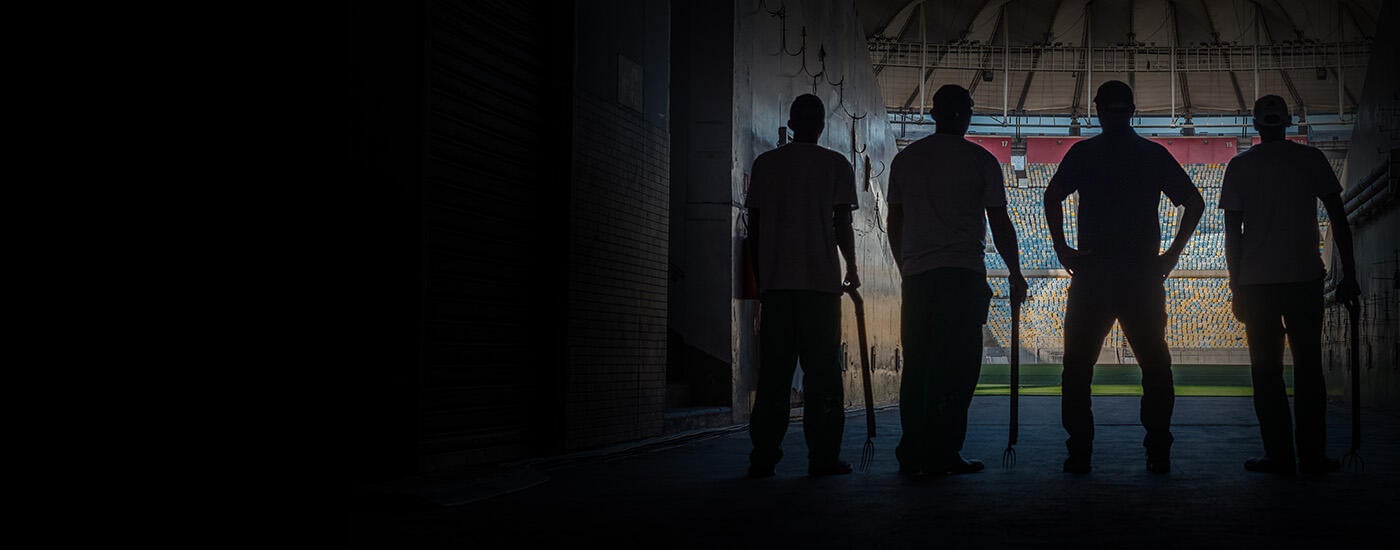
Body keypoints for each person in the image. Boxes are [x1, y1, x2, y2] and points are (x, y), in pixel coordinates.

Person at [1043, 80, 1205, 474]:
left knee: (1078, 367)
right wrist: (1170, 256)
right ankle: (1158, 450)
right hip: (1141, 273)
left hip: (1094, 271)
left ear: (1097, 110)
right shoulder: (1152, 155)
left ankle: (1080, 451)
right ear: (1133, 110)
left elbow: (1052, 196)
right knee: (1155, 364)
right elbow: (1195, 202)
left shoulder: (1084, 154)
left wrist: (1063, 248)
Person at [886, 85, 1027, 475]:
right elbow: (1000, 223)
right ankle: (945, 449)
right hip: (963, 275)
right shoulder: (980, 161)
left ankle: (913, 449)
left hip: (919, 278)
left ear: (933, 114)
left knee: (918, 365)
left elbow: (894, 222)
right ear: (967, 115)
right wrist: (1015, 273)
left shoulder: (906, 160)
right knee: (958, 368)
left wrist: (906, 268)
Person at [1222, 95, 1361, 477]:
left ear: (1255, 124)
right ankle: (1312, 456)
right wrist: (1349, 274)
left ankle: (1278, 455)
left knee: (1265, 373)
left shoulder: (1239, 166)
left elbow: (1232, 233)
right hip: (1304, 279)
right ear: (1288, 122)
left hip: (1257, 284)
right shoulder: (1311, 160)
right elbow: (1339, 218)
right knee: (1309, 370)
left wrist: (1236, 285)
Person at [745, 94, 860, 478]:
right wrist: (852, 268)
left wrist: (762, 278)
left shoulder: (765, 165)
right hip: (820, 286)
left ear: (790, 125)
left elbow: (755, 228)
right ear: (822, 125)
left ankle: (764, 455)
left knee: (773, 377)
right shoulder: (836, 165)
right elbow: (841, 223)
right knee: (823, 376)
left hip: (778, 287)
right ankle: (823, 456)